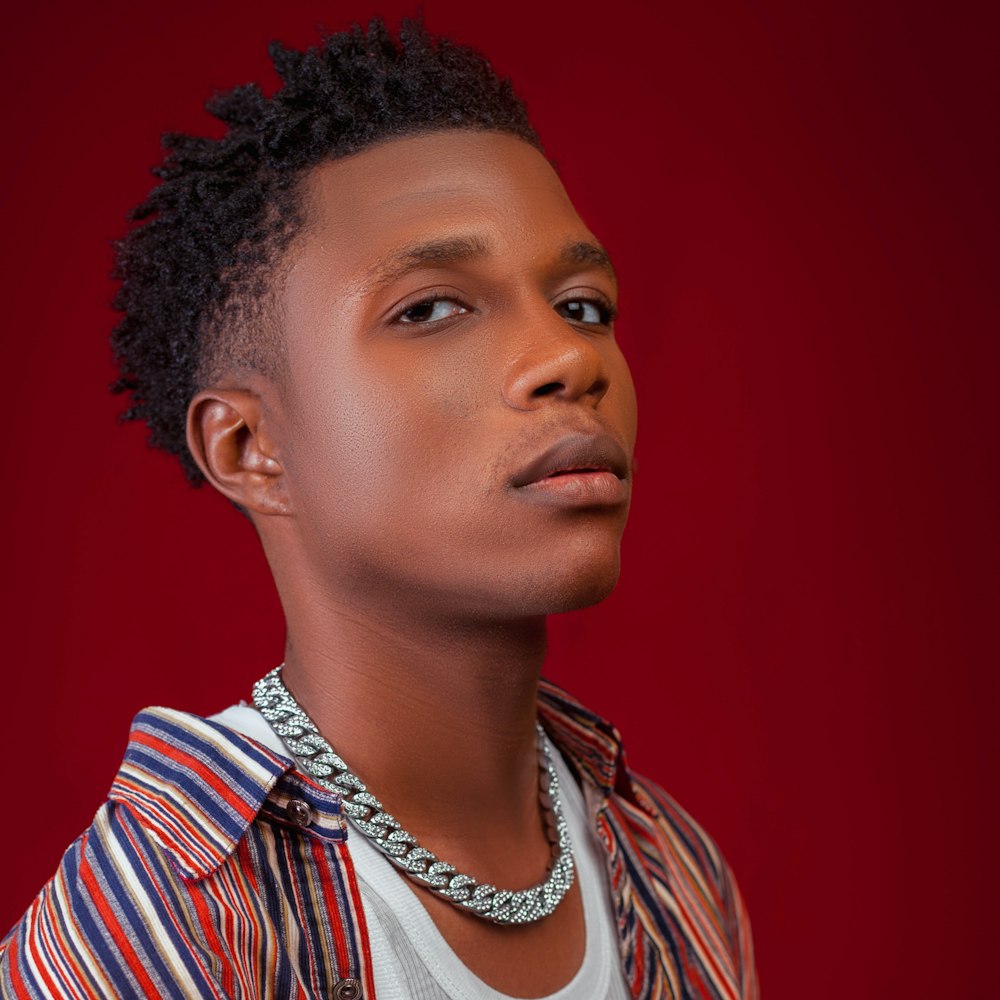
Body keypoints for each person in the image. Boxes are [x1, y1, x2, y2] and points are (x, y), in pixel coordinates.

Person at [0, 18, 757, 1000]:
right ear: (247, 446)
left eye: (581, 305)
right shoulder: (167, 918)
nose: (571, 360)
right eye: (430, 308)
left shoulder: (671, 868)